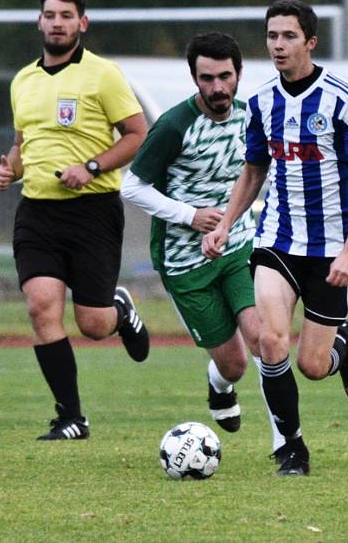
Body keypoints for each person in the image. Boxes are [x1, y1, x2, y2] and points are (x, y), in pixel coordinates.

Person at [202, 0, 348, 476]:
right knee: (270, 342)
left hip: (333, 252)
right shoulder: (260, 102)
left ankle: (344, 343)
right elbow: (254, 169)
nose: (278, 46)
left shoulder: (345, 101)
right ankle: (290, 448)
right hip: (277, 241)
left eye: (288, 36)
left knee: (312, 365)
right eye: (272, 36)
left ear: (310, 41)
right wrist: (224, 224)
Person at [0, 0, 150, 440]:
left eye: (66, 16)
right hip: (37, 213)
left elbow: (137, 135)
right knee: (42, 308)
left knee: (93, 325)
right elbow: (25, 143)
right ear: (39, 21)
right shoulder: (23, 80)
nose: (57, 23)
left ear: (82, 22)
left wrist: (92, 165)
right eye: (50, 15)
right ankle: (71, 418)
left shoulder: (104, 75)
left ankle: (118, 310)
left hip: (92, 211)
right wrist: (9, 169)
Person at [120, 32, 284, 452]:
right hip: (185, 262)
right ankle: (219, 385)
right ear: (194, 78)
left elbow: (261, 173)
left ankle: (285, 442)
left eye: (225, 76)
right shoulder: (174, 126)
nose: (217, 87)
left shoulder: (252, 117)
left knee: (265, 338)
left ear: (239, 74)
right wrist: (189, 215)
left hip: (240, 248)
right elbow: (132, 188)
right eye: (207, 78)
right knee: (233, 364)